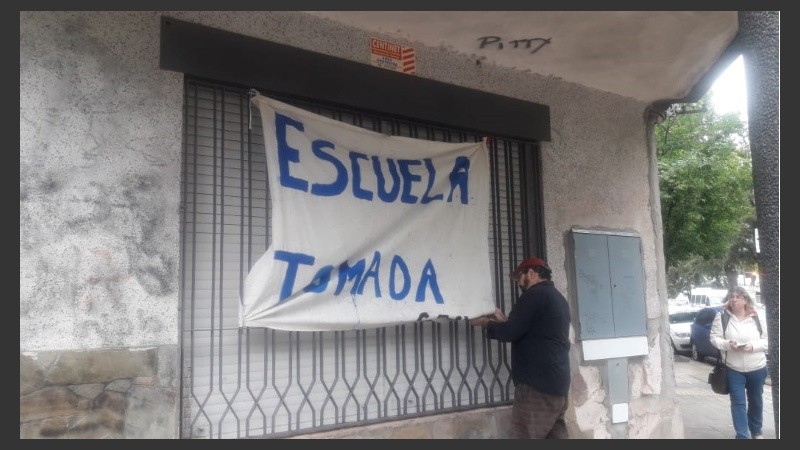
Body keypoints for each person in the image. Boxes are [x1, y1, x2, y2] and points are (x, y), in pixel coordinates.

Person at [469, 257, 571, 439]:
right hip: (558, 386)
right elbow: (532, 330)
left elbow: (510, 333)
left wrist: (486, 323)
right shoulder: (556, 298)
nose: (518, 283)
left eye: (519, 277)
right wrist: (502, 319)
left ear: (531, 272)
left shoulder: (534, 295)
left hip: (537, 389)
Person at [709, 286, 769, 439]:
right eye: (732, 297)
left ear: (745, 300)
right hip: (733, 368)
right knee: (738, 402)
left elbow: (769, 341)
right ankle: (743, 436)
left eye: (738, 297)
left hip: (757, 366)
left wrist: (753, 346)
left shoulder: (757, 316)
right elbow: (714, 338)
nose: (734, 300)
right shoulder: (722, 317)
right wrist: (728, 344)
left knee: (756, 401)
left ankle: (756, 431)